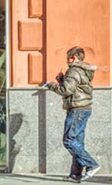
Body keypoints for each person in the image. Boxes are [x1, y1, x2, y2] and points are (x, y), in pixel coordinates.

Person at [43, 46, 97, 182]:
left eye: (68, 58)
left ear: (74, 58)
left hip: (77, 109)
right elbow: (75, 88)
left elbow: (66, 90)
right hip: (84, 108)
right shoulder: (85, 70)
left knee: (69, 140)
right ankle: (75, 175)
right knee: (77, 142)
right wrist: (62, 80)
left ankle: (92, 164)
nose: (67, 61)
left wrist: (51, 85)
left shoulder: (73, 70)